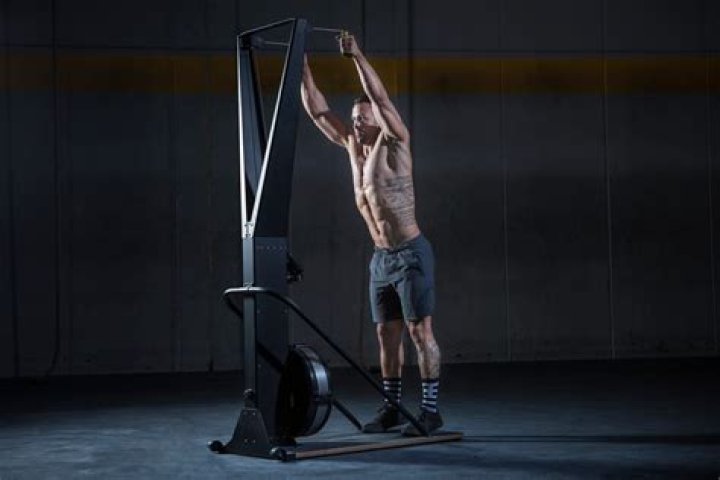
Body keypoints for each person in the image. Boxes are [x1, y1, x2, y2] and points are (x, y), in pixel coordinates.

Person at [300, 33, 443, 436]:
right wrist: (300, 65)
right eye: (355, 117)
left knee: (419, 332)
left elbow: (380, 98)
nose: (358, 121)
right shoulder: (351, 146)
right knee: (386, 334)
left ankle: (430, 411)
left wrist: (357, 56)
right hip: (381, 258)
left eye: (364, 117)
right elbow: (317, 111)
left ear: (379, 120)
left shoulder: (396, 141)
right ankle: (392, 408)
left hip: (410, 252)